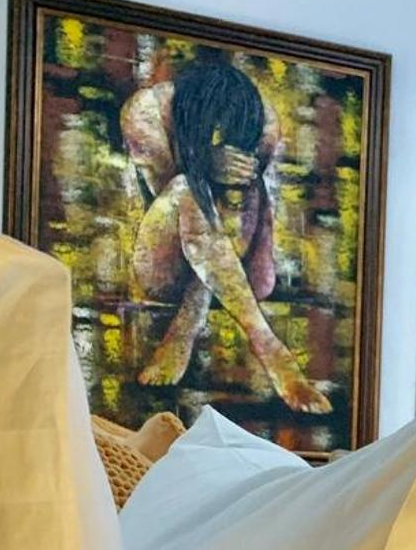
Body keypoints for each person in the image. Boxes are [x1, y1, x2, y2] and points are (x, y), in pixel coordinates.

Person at [124, 58, 329, 413]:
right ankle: (269, 348)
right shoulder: (147, 112)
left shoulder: (265, 120)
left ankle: (193, 310)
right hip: (165, 263)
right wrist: (204, 162)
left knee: (246, 189)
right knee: (187, 189)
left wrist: (235, 178)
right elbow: (172, 196)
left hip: (243, 263)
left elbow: (242, 200)